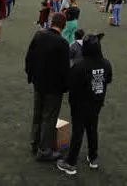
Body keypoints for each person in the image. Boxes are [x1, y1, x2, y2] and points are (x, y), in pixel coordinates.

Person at [57, 33, 112, 175]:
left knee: (78, 132)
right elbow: (108, 80)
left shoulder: (80, 66)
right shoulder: (106, 64)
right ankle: (93, 158)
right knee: (92, 129)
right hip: (97, 103)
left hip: (80, 105)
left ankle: (71, 163)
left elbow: (68, 85)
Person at [25, 13, 70, 161]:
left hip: (39, 83)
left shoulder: (39, 35)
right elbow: (65, 69)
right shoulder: (62, 43)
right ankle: (44, 150)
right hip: (53, 88)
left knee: (37, 114)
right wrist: (65, 87)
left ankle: (35, 143)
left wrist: (30, 75)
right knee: (49, 118)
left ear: (51, 22)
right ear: (63, 26)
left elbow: (29, 57)